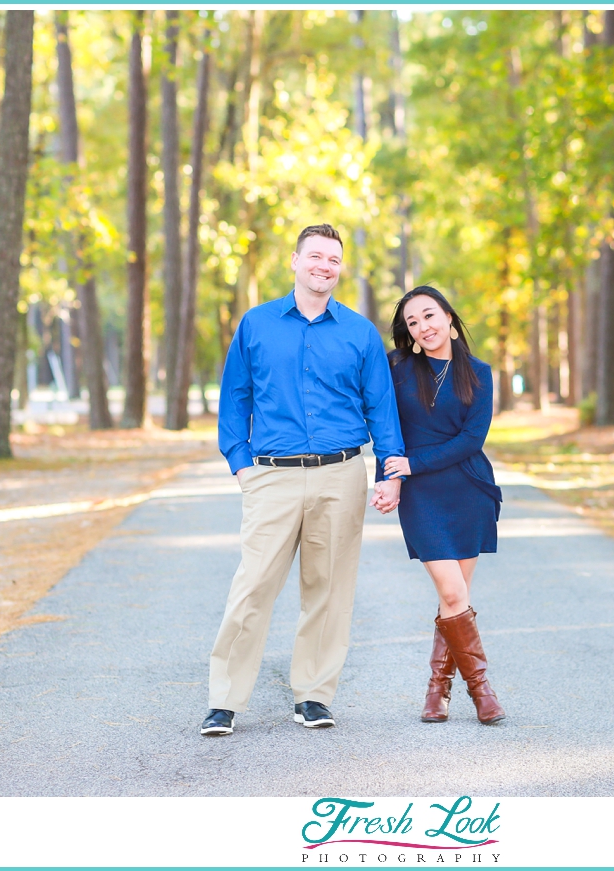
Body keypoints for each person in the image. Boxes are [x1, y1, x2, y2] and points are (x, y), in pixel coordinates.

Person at [201, 224, 405, 737]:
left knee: (330, 589)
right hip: (272, 475)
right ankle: (224, 700)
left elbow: (382, 408)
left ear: (340, 268)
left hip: (341, 474)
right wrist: (241, 463)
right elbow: (235, 398)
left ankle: (313, 696)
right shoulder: (256, 324)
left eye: (333, 260)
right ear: (294, 261)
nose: (324, 266)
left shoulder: (359, 333)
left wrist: (390, 471)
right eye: (315, 256)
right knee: (253, 588)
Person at [381, 286, 506, 725]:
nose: (424, 327)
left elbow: (473, 439)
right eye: (413, 322)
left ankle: (437, 691)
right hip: (422, 498)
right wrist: (392, 476)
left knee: (454, 599)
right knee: (453, 593)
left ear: (450, 318)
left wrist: (413, 464)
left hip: (469, 490)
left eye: (430, 316)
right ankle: (482, 690)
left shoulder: (479, 372)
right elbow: (385, 427)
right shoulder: (397, 368)